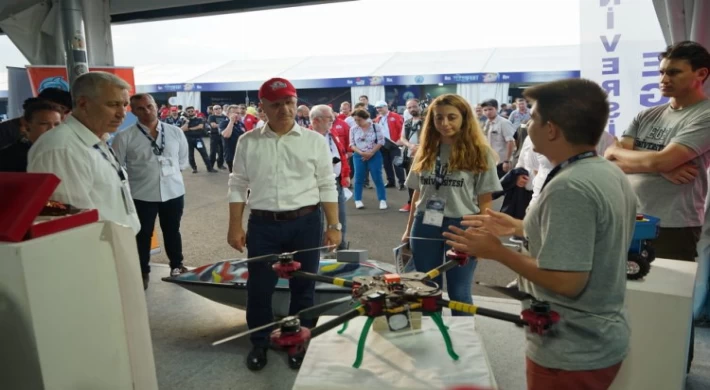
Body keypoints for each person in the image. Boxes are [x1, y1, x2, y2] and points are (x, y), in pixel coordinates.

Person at [444, 79, 636, 390]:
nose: (527, 124)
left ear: (552, 129)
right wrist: (520, 226)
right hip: (596, 337)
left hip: (571, 350)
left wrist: (498, 251)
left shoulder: (569, 187)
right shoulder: (603, 171)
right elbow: (591, 236)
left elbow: (567, 280)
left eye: (533, 117)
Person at [226, 77, 341, 371]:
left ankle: (296, 341)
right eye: (276, 105)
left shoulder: (314, 141)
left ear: (296, 101)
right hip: (263, 225)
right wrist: (235, 226)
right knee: (259, 288)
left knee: (304, 287)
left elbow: (327, 184)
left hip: (306, 222)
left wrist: (334, 225)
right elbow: (238, 184)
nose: (284, 110)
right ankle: (260, 342)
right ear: (262, 107)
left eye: (289, 102)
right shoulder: (247, 141)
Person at [605, 40, 710, 262]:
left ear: (701, 74)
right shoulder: (646, 115)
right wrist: (661, 168)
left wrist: (658, 163)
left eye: (674, 73)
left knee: (667, 293)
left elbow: (659, 160)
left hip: (673, 224)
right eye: (661, 72)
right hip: (629, 217)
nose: (663, 80)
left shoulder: (705, 115)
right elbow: (609, 159)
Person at [401, 94, 501, 315]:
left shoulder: (479, 153)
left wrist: (481, 233)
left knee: (459, 290)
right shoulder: (425, 150)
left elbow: (486, 200)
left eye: (452, 117)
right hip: (425, 223)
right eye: (439, 118)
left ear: (464, 118)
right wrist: (408, 230)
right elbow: (417, 193)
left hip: (463, 225)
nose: (445, 123)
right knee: (425, 288)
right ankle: (431, 337)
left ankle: (462, 342)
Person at [27, 71, 140, 235]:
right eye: (113, 104)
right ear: (83, 104)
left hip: (115, 246)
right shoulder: (62, 148)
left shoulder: (96, 140)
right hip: (94, 253)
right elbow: (68, 224)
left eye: (124, 104)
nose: (122, 113)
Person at [112, 93, 190, 290]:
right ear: (132, 111)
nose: (147, 111)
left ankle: (177, 265)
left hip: (173, 192)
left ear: (156, 106)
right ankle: (142, 270)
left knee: (172, 230)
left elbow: (182, 160)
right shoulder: (125, 136)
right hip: (142, 194)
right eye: (140, 108)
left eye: (149, 106)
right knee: (143, 233)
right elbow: (116, 166)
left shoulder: (175, 132)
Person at [310, 104, 351, 250]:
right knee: (318, 220)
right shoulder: (306, 138)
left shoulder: (332, 133)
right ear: (316, 120)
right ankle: (320, 252)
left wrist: (345, 174)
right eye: (329, 118)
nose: (332, 121)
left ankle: (341, 248)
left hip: (336, 183)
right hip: (316, 185)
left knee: (340, 219)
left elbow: (342, 155)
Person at [0, 101, 62, 172]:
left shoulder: (64, 151)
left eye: (57, 124)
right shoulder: (8, 157)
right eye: (44, 124)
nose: (52, 129)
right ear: (26, 125)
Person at [349, 108, 388, 210]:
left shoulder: (376, 126)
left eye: (359, 120)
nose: (357, 122)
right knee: (358, 178)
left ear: (366, 118)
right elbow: (352, 144)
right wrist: (361, 152)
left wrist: (371, 153)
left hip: (374, 154)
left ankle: (382, 200)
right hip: (359, 155)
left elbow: (381, 141)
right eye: (355, 120)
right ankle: (357, 200)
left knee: (377, 177)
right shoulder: (353, 129)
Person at [220, 104, 246, 173]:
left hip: (242, 154)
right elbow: (226, 135)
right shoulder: (224, 123)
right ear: (228, 113)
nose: (237, 115)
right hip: (231, 155)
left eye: (238, 113)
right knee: (235, 177)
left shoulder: (240, 124)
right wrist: (231, 121)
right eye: (234, 113)